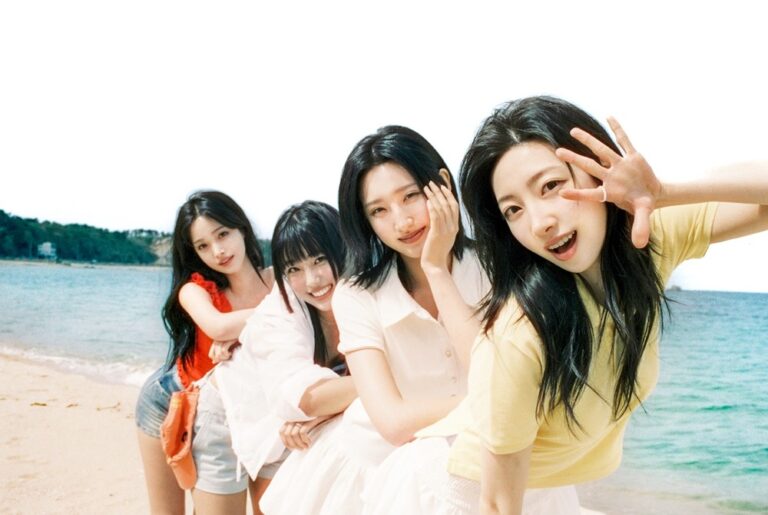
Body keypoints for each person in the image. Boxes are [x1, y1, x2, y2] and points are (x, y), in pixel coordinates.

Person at [368, 95, 768, 515]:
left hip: (539, 485)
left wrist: (665, 193)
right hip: (455, 491)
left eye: (551, 186)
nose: (540, 222)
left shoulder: (649, 243)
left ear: (600, 170)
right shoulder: (520, 336)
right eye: (513, 210)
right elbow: (497, 504)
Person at [260, 125, 490, 514]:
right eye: (378, 210)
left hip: (487, 462)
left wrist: (437, 270)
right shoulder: (357, 295)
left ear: (443, 184)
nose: (402, 222)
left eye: (411, 196)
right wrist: (492, 404)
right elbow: (395, 423)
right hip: (380, 469)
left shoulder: (497, 269)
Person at [190, 200, 357, 515]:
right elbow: (305, 397)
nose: (312, 280)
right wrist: (383, 382)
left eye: (320, 260)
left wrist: (324, 412)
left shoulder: (364, 293)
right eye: (294, 269)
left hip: (289, 422)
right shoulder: (279, 311)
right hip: (228, 412)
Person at [135, 190, 273, 515]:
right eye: (203, 246)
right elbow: (219, 327)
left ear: (242, 229)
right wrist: (269, 319)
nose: (218, 251)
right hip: (169, 401)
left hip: (240, 409)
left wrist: (244, 330)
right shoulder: (195, 291)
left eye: (223, 234)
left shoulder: (278, 280)